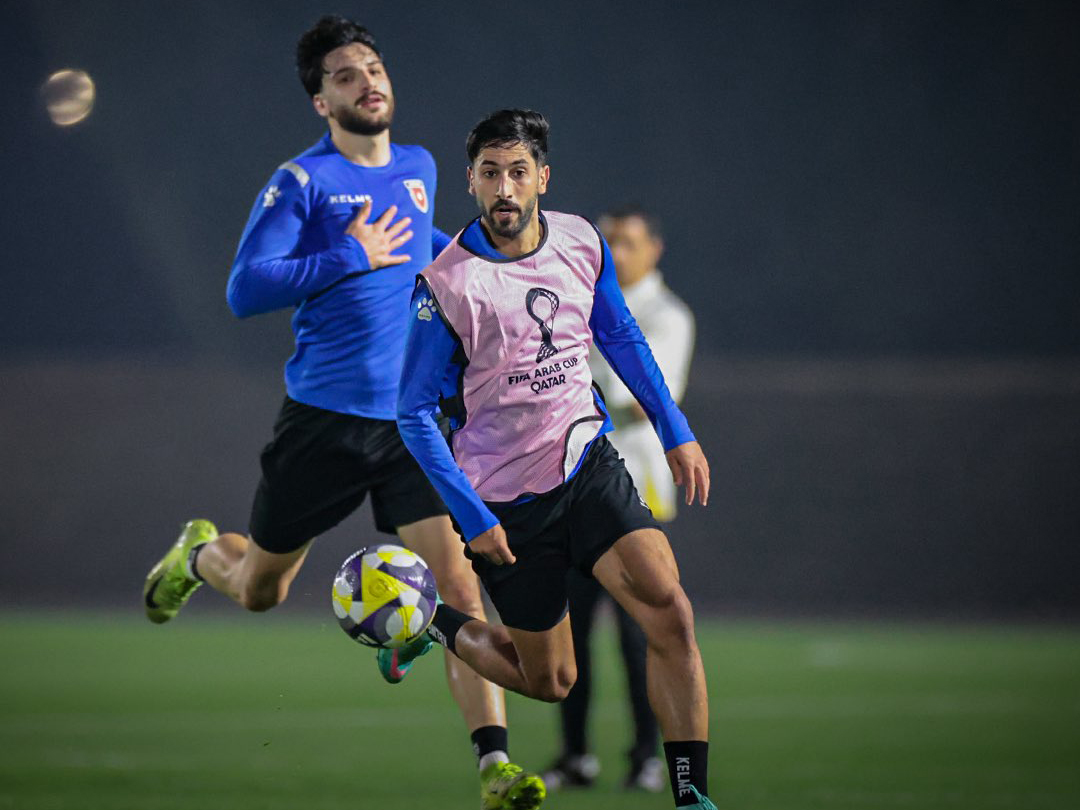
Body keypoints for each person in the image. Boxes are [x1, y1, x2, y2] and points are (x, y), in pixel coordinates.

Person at [141, 18, 544, 810]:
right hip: (323, 422)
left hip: (409, 424)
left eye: (374, 66)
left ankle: (493, 767)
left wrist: (482, 265)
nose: (367, 80)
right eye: (346, 75)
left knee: (460, 589)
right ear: (321, 100)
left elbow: (420, 241)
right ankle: (198, 556)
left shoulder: (423, 165)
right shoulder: (302, 183)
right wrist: (347, 254)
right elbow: (245, 287)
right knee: (261, 588)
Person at [394, 109, 717, 810]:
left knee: (671, 613)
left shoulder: (579, 241)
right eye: (490, 173)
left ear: (542, 176)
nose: (504, 188)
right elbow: (413, 414)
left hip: (587, 465)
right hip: (508, 506)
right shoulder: (447, 286)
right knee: (551, 681)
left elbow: (621, 334)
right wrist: (471, 517)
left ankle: (691, 796)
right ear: (472, 183)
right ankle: (427, 622)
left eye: (517, 172)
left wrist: (675, 429)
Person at [542, 206, 696, 794]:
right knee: (570, 630)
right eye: (609, 240)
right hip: (574, 484)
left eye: (628, 241)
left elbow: (647, 397)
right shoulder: (581, 298)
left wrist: (565, 394)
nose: (617, 250)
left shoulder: (666, 315)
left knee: (643, 632)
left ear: (654, 249)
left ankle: (645, 758)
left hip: (635, 486)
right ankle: (575, 755)